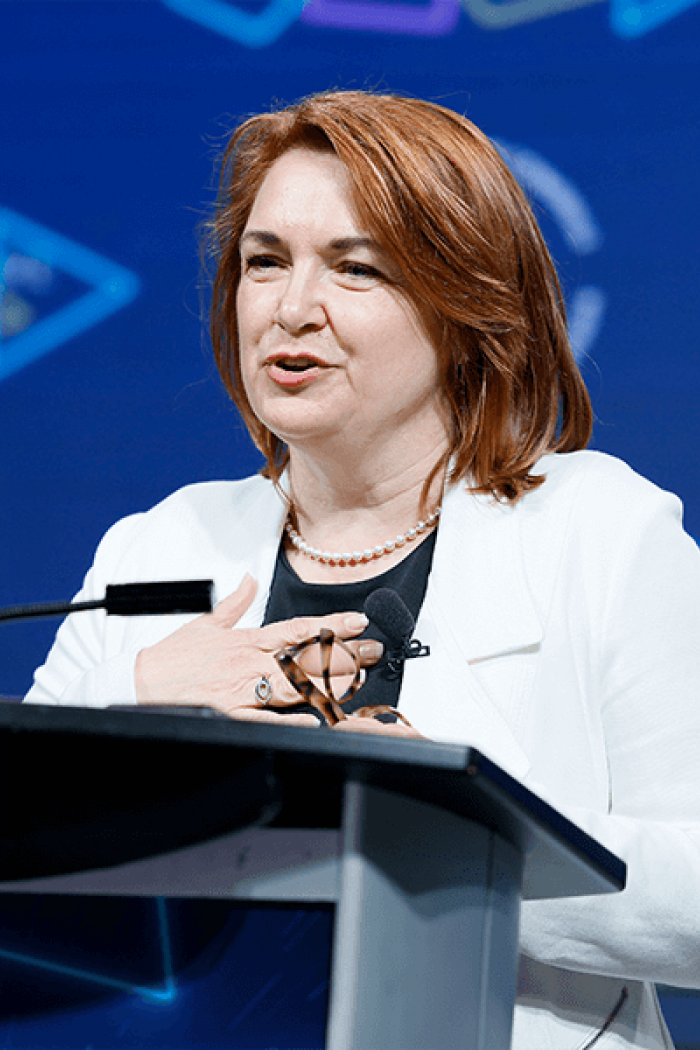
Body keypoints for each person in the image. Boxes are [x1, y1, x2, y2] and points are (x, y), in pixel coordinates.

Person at [25, 91, 700, 1047]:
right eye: (265, 263)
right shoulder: (160, 544)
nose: (292, 309)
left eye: (357, 268)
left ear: (465, 302)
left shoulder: (599, 529)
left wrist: (463, 824)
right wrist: (131, 696)